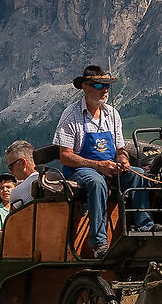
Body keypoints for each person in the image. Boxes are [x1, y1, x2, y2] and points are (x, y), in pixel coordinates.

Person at [52, 65, 128, 258]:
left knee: (140, 177)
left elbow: (120, 148)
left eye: (107, 86)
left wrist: (123, 160)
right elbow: (65, 156)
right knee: (96, 182)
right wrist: (98, 165)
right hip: (80, 169)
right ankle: (99, 243)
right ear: (85, 87)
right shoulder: (71, 115)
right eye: (99, 85)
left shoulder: (112, 114)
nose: (105, 90)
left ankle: (143, 228)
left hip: (110, 167)